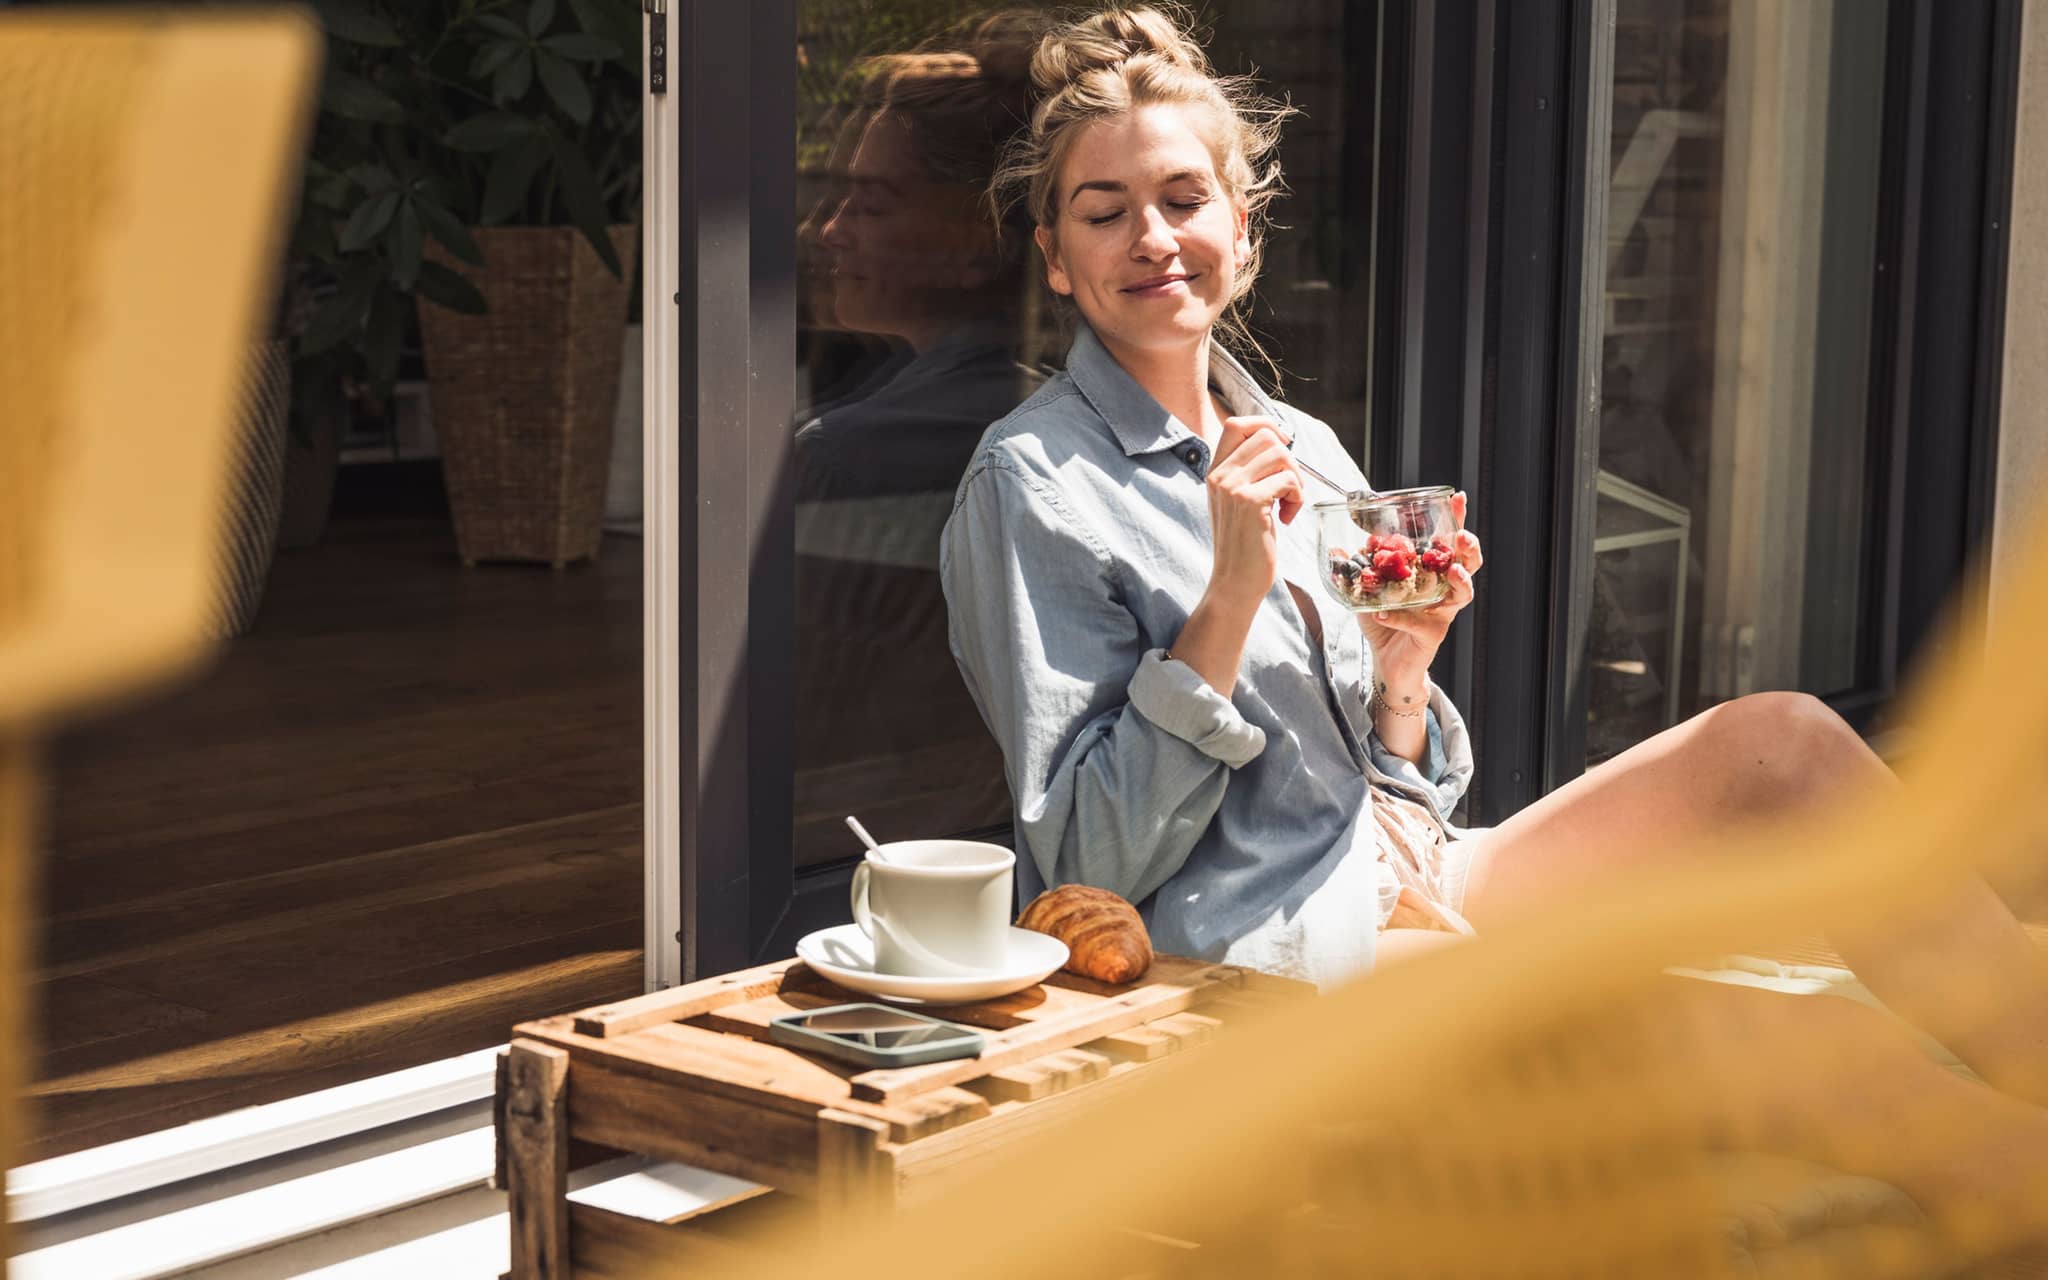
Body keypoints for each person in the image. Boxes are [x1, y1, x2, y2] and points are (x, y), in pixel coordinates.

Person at [938, 3, 2048, 1245]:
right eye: (1104, 212)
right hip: (1244, 957)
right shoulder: (1029, 482)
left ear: (1240, 231)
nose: (1152, 238)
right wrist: (1225, 599)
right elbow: (1089, 861)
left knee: (1780, 742)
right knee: (1808, 1042)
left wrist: (1400, 684)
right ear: (1054, 255)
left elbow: (1378, 778)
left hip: (1399, 878)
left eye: (1184, 199)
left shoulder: (1294, 445)